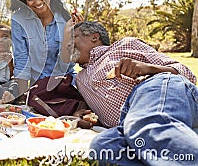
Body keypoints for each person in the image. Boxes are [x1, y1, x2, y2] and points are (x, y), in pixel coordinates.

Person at [66, 21, 197, 165]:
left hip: (154, 89)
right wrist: (84, 116)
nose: (68, 44)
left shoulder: (126, 44)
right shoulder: (80, 79)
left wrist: (147, 68)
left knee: (147, 125)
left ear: (94, 37)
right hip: (128, 123)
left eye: (73, 37)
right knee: (103, 147)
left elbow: (187, 74)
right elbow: (99, 111)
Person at [10, 0, 77, 102]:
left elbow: (68, 61)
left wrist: (73, 35)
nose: (38, 2)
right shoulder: (18, 19)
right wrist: (23, 98)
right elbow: (22, 60)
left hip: (66, 84)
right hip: (38, 88)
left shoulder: (65, 18)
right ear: (24, 0)